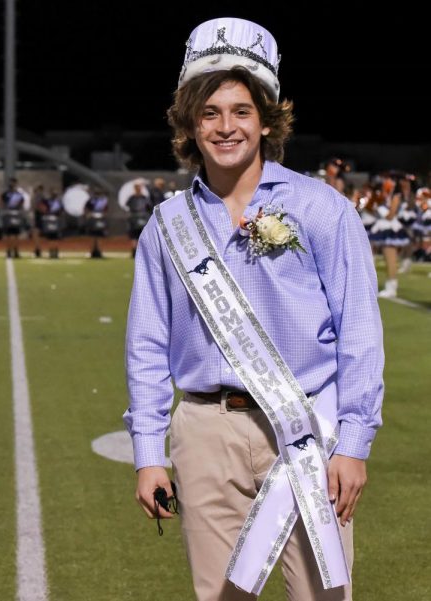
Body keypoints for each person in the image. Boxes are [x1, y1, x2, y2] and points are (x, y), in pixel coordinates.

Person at [124, 18, 383, 601]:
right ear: (191, 124)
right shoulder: (167, 226)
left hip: (305, 433)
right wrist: (147, 454)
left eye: (241, 111)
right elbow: (146, 345)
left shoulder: (323, 210)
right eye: (210, 112)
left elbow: (359, 334)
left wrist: (353, 444)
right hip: (204, 432)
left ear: (267, 120)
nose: (226, 126)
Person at [1, 177, 25, 258]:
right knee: (8, 235)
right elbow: (1, 203)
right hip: (8, 215)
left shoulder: (19, 194)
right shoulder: (5, 194)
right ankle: (8, 251)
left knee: (16, 234)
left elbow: (22, 204)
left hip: (16, 215)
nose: (12, 184)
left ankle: (16, 250)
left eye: (13, 183)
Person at [84, 187, 109, 258]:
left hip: (100, 219)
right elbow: (86, 208)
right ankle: (91, 252)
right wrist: (88, 215)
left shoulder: (103, 200)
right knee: (92, 236)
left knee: (99, 236)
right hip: (93, 219)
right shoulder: (91, 200)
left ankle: (100, 252)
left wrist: (103, 215)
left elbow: (106, 209)